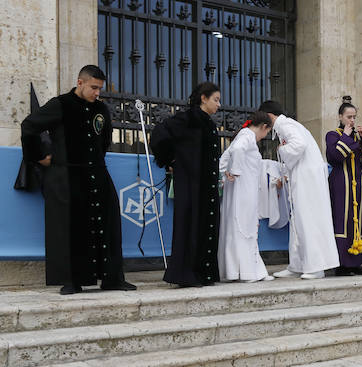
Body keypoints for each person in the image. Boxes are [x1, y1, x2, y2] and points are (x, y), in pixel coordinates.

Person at [20, 65, 136, 295]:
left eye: (99, 88)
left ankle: (112, 278)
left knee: (107, 225)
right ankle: (72, 280)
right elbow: (29, 126)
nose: (97, 93)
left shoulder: (101, 108)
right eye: (93, 87)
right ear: (80, 83)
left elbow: (104, 139)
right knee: (72, 228)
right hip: (68, 176)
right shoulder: (60, 104)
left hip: (98, 173)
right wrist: (39, 157)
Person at [150, 82, 223, 287]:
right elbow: (159, 135)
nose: (218, 104)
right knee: (190, 225)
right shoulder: (187, 118)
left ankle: (204, 273)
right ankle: (186, 274)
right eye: (215, 100)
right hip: (190, 183)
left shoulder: (208, 123)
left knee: (206, 225)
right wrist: (171, 161)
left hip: (207, 185)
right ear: (203, 98)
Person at [260, 100, 340, 280]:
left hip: (308, 179)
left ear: (269, 115)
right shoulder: (285, 125)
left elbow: (299, 145)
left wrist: (282, 150)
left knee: (308, 219)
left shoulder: (285, 124)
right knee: (298, 220)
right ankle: (297, 264)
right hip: (303, 176)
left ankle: (316, 266)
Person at [217, 112, 275, 282]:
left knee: (241, 227)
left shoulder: (244, 135)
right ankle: (247, 272)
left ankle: (239, 270)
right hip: (243, 190)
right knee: (243, 226)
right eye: (267, 132)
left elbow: (225, 156)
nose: (265, 136)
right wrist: (234, 171)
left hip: (242, 188)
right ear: (264, 127)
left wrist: (225, 171)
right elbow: (236, 150)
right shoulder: (247, 136)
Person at [326, 98, 362, 276]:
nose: (352, 120)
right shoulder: (333, 135)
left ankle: (355, 262)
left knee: (357, 221)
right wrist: (347, 137)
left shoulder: (357, 137)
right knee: (342, 220)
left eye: (354, 117)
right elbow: (335, 157)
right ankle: (341, 264)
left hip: (357, 185)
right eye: (348, 117)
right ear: (340, 117)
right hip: (341, 183)